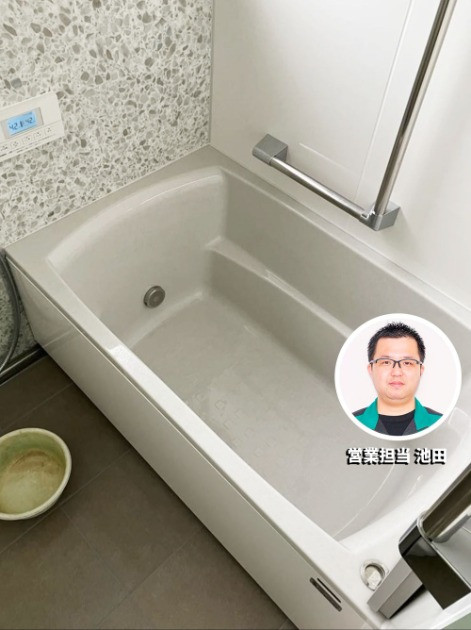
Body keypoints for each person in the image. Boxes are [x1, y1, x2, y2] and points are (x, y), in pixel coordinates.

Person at [353, 322, 442, 436]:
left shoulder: (442, 425)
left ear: (421, 370)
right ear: (371, 369)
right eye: (386, 362)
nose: (396, 372)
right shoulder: (349, 423)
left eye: (407, 363)